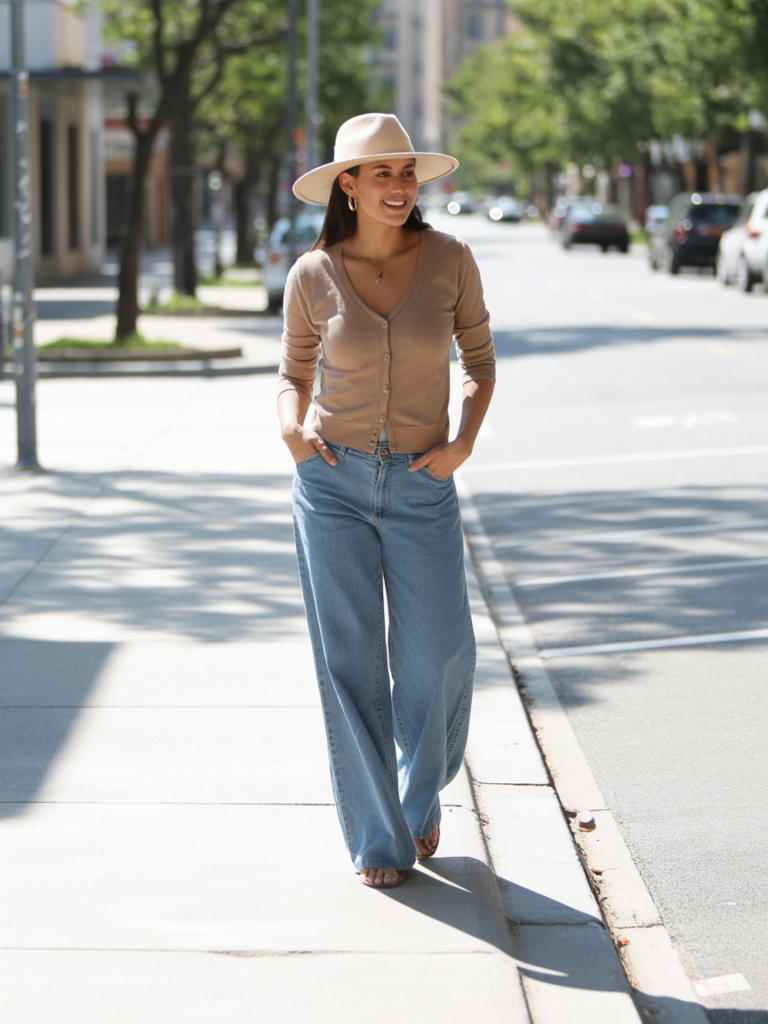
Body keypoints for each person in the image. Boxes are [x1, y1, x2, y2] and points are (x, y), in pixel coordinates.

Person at [277, 113, 495, 888]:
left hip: (420, 480)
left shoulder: (450, 259)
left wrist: (462, 443)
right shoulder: (313, 274)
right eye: (382, 174)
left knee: (437, 655)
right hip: (330, 485)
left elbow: (480, 360)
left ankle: (417, 797)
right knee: (351, 665)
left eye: (406, 174)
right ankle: (380, 838)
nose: (399, 187)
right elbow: (291, 376)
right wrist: (292, 432)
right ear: (348, 186)